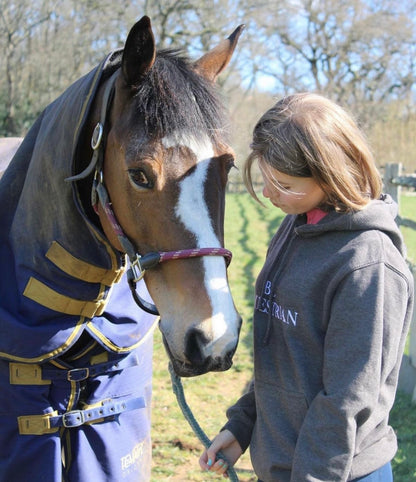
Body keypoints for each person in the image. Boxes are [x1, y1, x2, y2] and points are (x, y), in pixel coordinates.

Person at [199, 92, 414, 481]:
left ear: (331, 174)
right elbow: (285, 352)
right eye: (266, 178)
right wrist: (242, 425)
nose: (268, 193)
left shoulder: (368, 265)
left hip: (335, 473)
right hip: (285, 466)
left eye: (282, 184)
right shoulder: (297, 225)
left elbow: (346, 400)